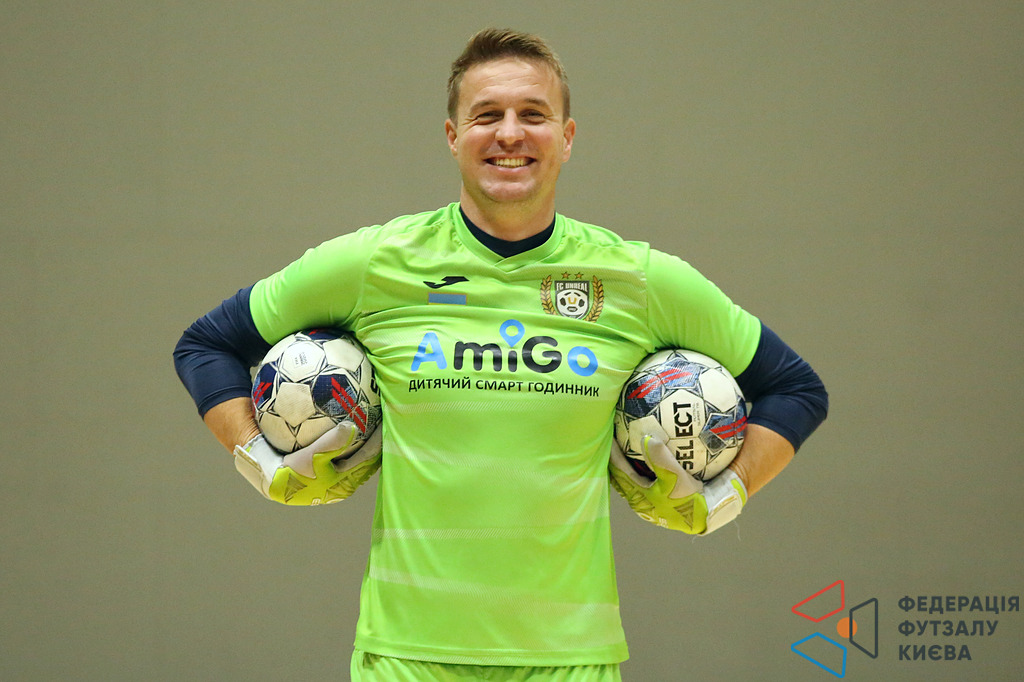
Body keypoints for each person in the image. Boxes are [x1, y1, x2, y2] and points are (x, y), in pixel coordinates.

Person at [174, 27, 828, 682]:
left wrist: (726, 497)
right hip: (406, 656)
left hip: (570, 660)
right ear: (453, 136)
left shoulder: (635, 280)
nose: (509, 134)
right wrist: (257, 458)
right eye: (486, 115)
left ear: (567, 138)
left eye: (533, 114)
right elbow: (207, 344)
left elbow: (796, 390)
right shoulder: (375, 264)